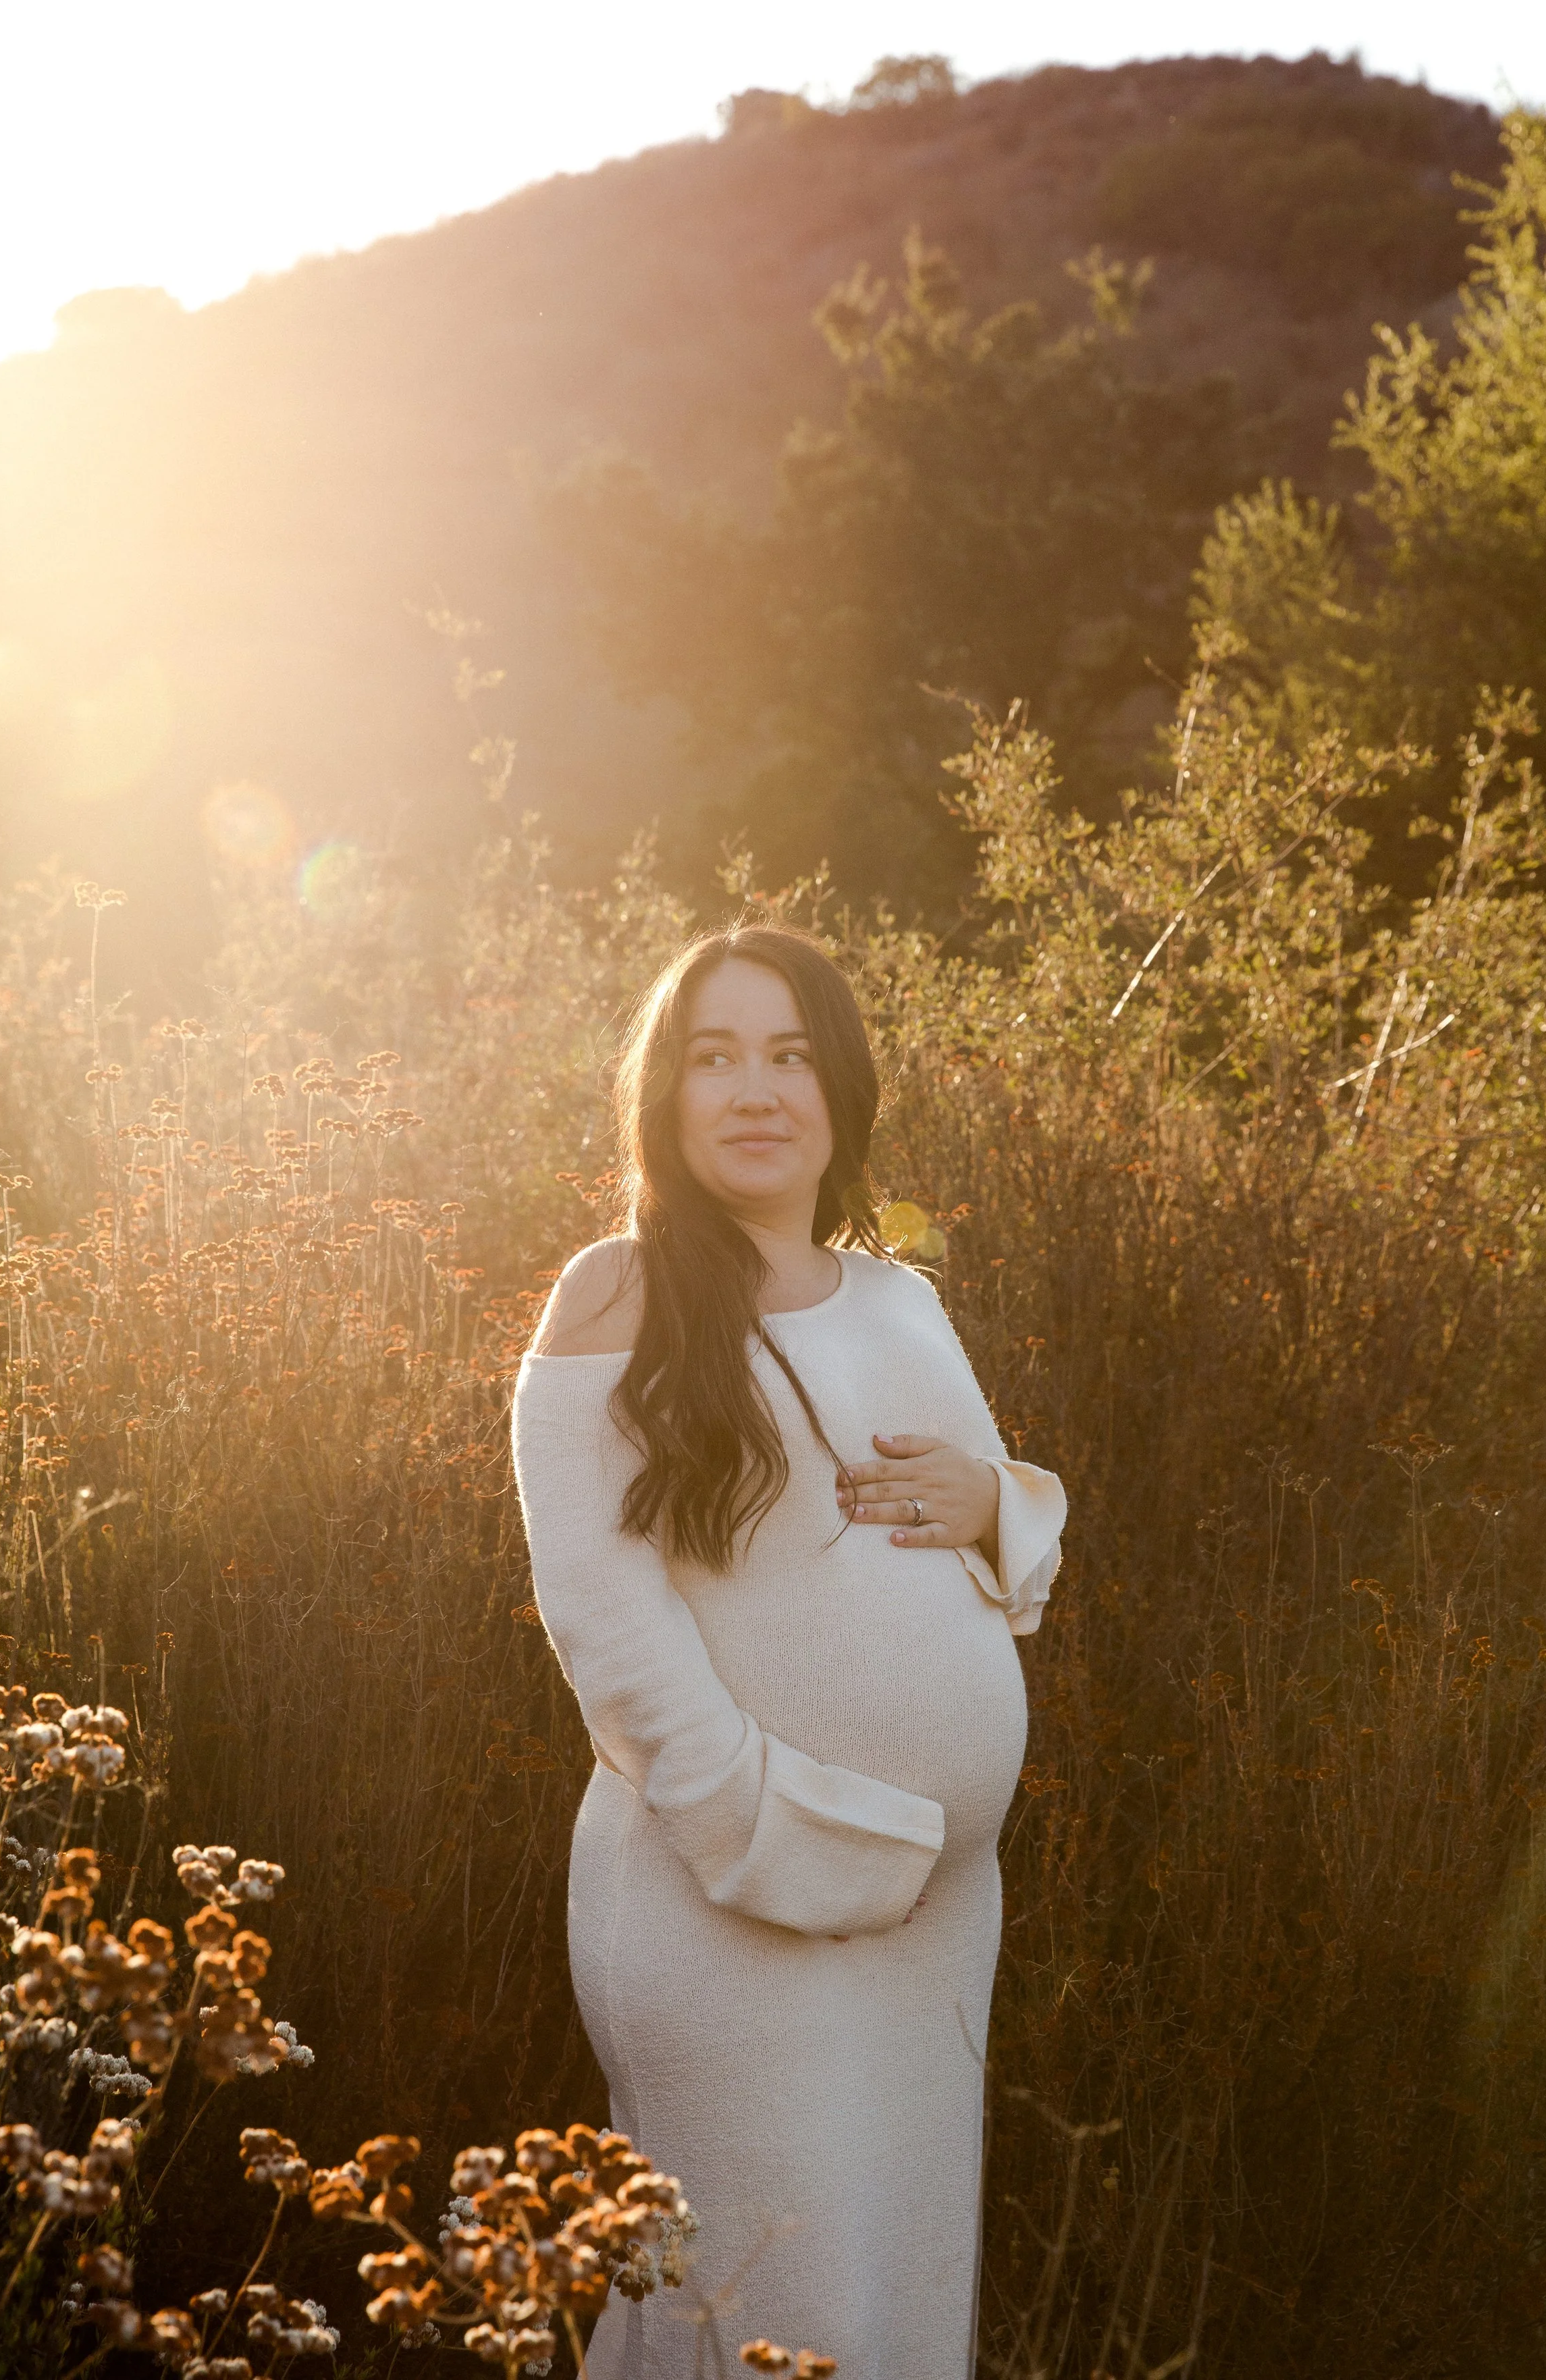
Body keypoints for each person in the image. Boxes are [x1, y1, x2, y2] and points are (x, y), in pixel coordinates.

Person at [510, 924, 1066, 2380]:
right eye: (713, 1057)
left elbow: (1004, 1550)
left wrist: (992, 1504)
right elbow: (602, 1624)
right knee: (764, 2311)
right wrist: (782, 1841)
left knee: (890, 2302)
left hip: (934, 1925)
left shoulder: (899, 1299)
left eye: (788, 1055)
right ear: (663, 1096)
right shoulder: (614, 1297)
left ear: (839, 1092)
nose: (753, 1091)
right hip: (733, 1898)